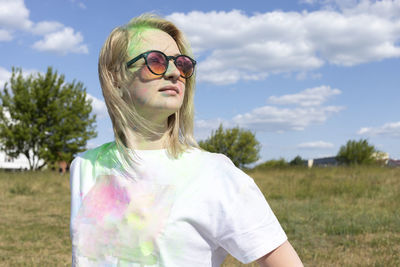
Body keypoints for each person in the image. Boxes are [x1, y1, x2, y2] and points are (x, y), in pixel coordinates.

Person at [69, 13, 303, 267]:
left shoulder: (215, 174)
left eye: (181, 64)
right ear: (116, 76)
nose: (174, 73)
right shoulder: (85, 166)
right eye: (155, 61)